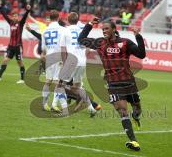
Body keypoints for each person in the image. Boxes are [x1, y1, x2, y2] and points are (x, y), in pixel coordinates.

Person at [78, 18, 146, 151]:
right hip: (113, 83)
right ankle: (133, 141)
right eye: (103, 28)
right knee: (122, 111)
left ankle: (136, 117)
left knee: (137, 108)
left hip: (128, 82)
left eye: (107, 28)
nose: (104, 30)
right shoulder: (100, 43)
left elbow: (142, 54)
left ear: (114, 29)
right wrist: (90, 24)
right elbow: (81, 39)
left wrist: (138, 36)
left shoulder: (125, 43)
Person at [0, 0, 31, 84]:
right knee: (5, 60)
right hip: (11, 46)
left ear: (18, 17)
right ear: (12, 17)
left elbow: (24, 17)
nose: (15, 17)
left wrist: (27, 10)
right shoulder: (11, 23)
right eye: (14, 16)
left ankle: (23, 79)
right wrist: (0, 6)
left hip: (18, 46)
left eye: (16, 16)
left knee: (19, 62)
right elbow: (4, 15)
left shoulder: (20, 23)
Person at [41, 10, 69, 112]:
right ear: (58, 18)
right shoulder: (63, 30)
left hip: (49, 56)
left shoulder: (45, 31)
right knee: (58, 82)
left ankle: (44, 104)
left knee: (48, 81)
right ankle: (54, 105)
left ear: (50, 18)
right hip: (59, 57)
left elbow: (43, 49)